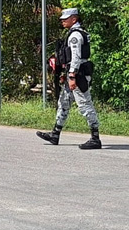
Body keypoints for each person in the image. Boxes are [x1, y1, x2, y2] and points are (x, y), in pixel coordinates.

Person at [37, 8, 101, 149]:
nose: (62, 20)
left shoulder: (75, 36)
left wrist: (72, 76)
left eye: (66, 18)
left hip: (78, 75)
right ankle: (55, 134)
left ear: (74, 19)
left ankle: (95, 138)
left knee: (84, 104)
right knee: (64, 103)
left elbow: (76, 57)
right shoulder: (73, 33)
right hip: (73, 73)